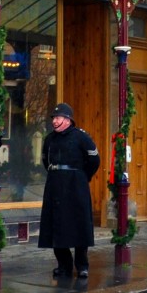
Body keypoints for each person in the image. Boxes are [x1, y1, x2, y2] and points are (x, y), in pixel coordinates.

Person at [39, 102, 100, 279]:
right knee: (56, 225)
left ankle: (82, 265)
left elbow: (94, 161)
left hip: (76, 185)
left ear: (67, 120)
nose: (55, 121)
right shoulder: (49, 139)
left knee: (79, 224)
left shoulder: (81, 137)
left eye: (58, 118)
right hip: (55, 185)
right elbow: (45, 160)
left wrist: (82, 177)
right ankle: (63, 265)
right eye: (54, 118)